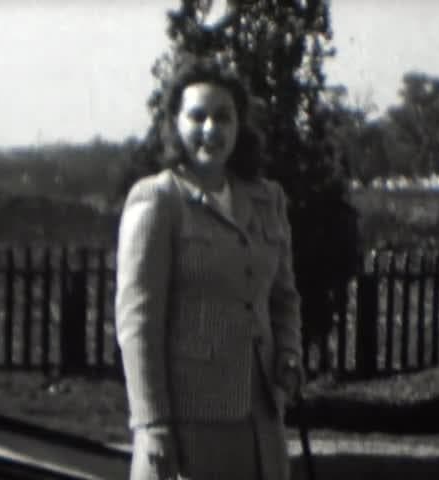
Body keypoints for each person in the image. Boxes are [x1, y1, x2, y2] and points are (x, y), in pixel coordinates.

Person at [115, 55, 304, 480]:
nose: (211, 130)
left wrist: (289, 353)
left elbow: (284, 298)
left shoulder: (266, 200)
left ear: (239, 126)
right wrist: (152, 424)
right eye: (197, 116)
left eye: (223, 117)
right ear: (174, 123)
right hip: (190, 424)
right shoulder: (157, 200)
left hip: (262, 420)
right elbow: (137, 326)